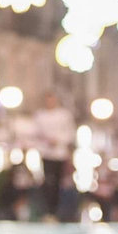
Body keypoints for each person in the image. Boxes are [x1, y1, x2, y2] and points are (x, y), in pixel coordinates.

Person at [32, 92, 76, 221]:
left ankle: (56, 211)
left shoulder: (64, 115)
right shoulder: (40, 115)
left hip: (59, 154)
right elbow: (36, 132)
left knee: (57, 182)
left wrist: (58, 140)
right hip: (46, 153)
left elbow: (70, 133)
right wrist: (46, 140)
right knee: (47, 180)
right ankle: (47, 211)